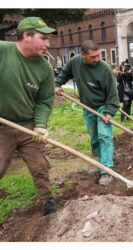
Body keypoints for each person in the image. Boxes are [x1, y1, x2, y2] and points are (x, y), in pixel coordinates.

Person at [0, 17, 58, 215]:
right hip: (2, 128)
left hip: (28, 127)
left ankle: (47, 199)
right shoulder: (3, 51)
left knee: (40, 166)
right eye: (43, 38)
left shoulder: (45, 69)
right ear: (26, 36)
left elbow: (44, 101)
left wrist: (40, 125)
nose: (48, 44)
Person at [55, 40, 120, 186]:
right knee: (95, 137)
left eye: (98, 56)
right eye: (93, 57)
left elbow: (113, 94)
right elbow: (63, 74)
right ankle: (102, 161)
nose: (97, 59)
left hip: (104, 105)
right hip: (87, 106)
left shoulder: (104, 68)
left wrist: (109, 112)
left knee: (104, 136)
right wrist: (57, 85)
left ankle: (106, 170)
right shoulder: (75, 62)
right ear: (82, 54)